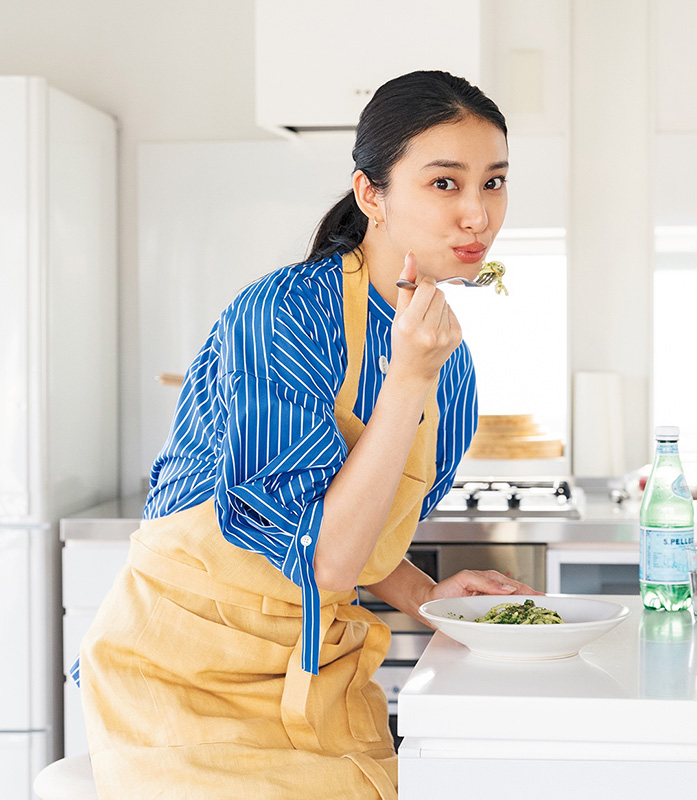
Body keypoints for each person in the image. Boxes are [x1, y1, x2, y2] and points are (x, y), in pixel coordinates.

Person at [78, 69, 537, 800]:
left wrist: (427, 595)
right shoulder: (284, 317)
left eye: (495, 182)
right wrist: (407, 379)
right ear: (371, 195)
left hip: (318, 667)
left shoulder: (446, 359)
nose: (478, 215)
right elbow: (320, 558)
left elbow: (358, 524)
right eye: (445, 184)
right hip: (184, 672)